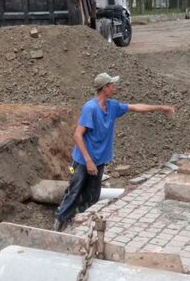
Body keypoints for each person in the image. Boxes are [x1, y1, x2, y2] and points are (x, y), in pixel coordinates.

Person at [53, 73, 176, 231]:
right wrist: (88, 161)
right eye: (112, 85)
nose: (114, 87)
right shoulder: (90, 108)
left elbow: (136, 107)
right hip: (84, 161)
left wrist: (161, 108)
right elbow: (77, 135)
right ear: (105, 88)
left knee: (93, 196)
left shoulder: (112, 106)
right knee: (74, 192)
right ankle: (58, 223)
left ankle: (80, 224)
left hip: (99, 161)